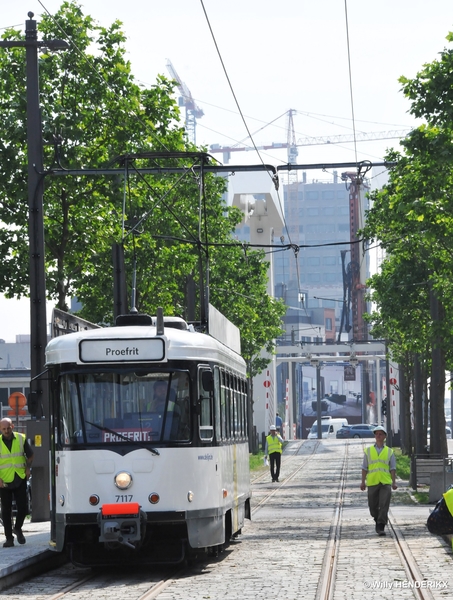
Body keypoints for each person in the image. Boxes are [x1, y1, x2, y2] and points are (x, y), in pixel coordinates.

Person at [0, 418, 34, 547]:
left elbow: (30, 455)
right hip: (4, 480)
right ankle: (9, 539)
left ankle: (18, 528)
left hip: (19, 477)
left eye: (8, 428)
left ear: (12, 426)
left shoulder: (21, 438)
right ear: (0, 429)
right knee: (6, 511)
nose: (6, 431)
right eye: (3, 429)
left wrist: (27, 468)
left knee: (23, 507)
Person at [360, 424, 397, 536]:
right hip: (372, 482)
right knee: (373, 506)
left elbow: (393, 468)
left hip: (385, 482)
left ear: (385, 436)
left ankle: (381, 525)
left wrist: (394, 482)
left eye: (380, 434)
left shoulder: (389, 452)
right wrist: (363, 482)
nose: (378, 435)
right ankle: (377, 518)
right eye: (376, 434)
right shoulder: (368, 451)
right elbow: (364, 467)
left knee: (384, 504)